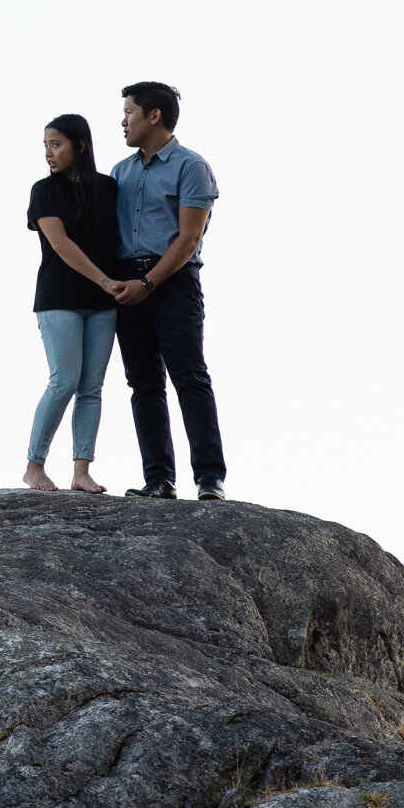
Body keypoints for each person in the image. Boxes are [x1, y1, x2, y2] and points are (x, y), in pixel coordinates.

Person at [109, 81, 225, 500]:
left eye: (129, 112)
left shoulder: (190, 166)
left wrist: (149, 282)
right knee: (143, 384)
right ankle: (159, 479)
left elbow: (189, 238)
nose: (123, 121)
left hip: (173, 283)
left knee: (189, 377)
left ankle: (210, 478)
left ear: (153, 115)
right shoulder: (120, 172)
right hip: (127, 282)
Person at [23, 114, 127, 494]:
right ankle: (34, 465)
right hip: (59, 299)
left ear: (80, 146)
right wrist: (104, 280)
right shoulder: (43, 191)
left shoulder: (109, 188)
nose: (49, 153)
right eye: (46, 146)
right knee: (64, 380)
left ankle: (81, 471)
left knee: (92, 388)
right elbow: (62, 245)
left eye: (56, 145)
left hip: (104, 303)